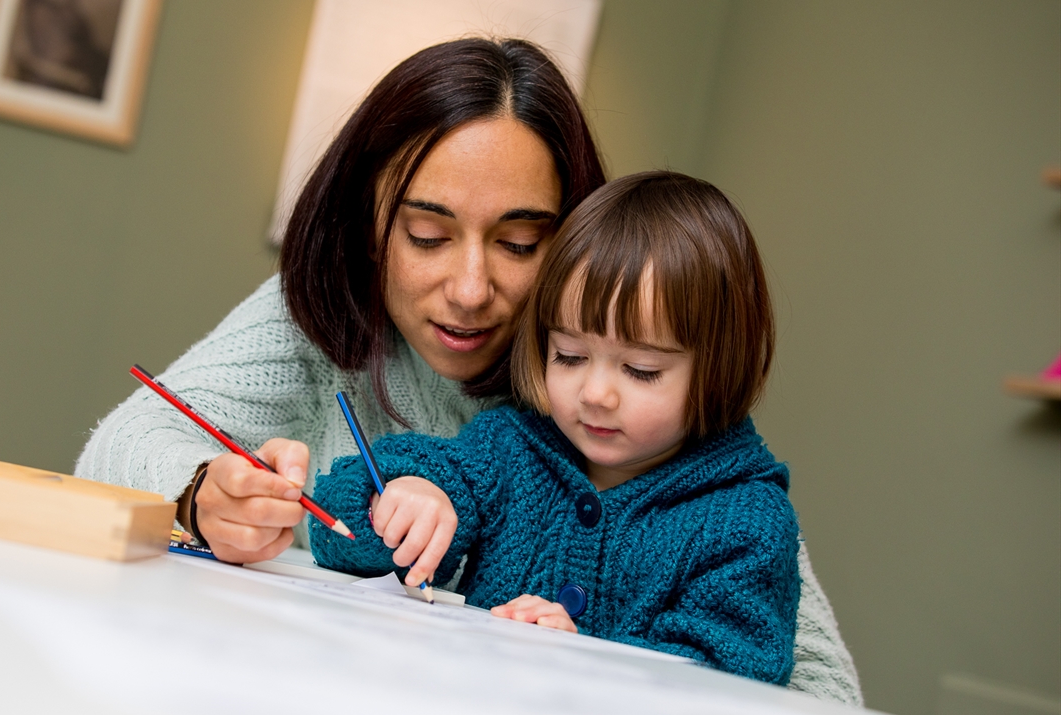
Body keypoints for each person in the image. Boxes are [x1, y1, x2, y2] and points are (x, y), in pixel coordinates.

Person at [75, 38, 861, 704]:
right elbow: (119, 448)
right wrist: (205, 495)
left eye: (521, 245)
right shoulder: (327, 314)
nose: (472, 289)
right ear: (370, 225)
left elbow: (821, 684)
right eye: (427, 234)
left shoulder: (662, 434)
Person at [309, 171, 798, 683]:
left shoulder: (748, 521)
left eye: (641, 369)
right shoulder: (512, 450)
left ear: (721, 367)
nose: (594, 394)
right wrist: (398, 499)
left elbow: (734, 681)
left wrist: (584, 657)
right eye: (569, 355)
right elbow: (338, 535)